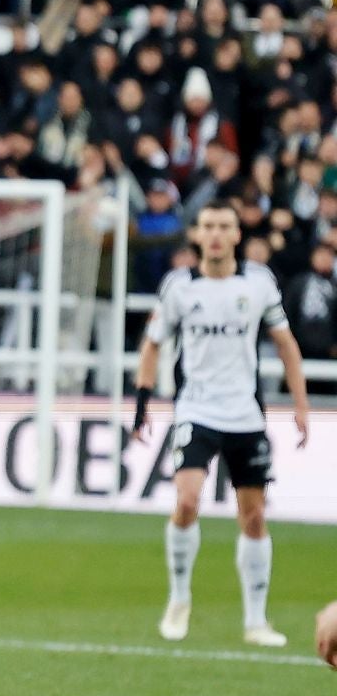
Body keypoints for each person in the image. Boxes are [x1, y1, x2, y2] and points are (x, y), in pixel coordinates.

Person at [132, 200, 311, 648]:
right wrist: (141, 404)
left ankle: (256, 620)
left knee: (253, 516)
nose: (214, 234)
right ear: (197, 234)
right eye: (208, 226)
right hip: (196, 409)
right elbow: (152, 345)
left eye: (224, 226)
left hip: (245, 414)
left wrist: (301, 405)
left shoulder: (258, 282)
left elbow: (286, 344)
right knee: (187, 501)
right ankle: (178, 599)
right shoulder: (179, 287)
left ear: (236, 235)